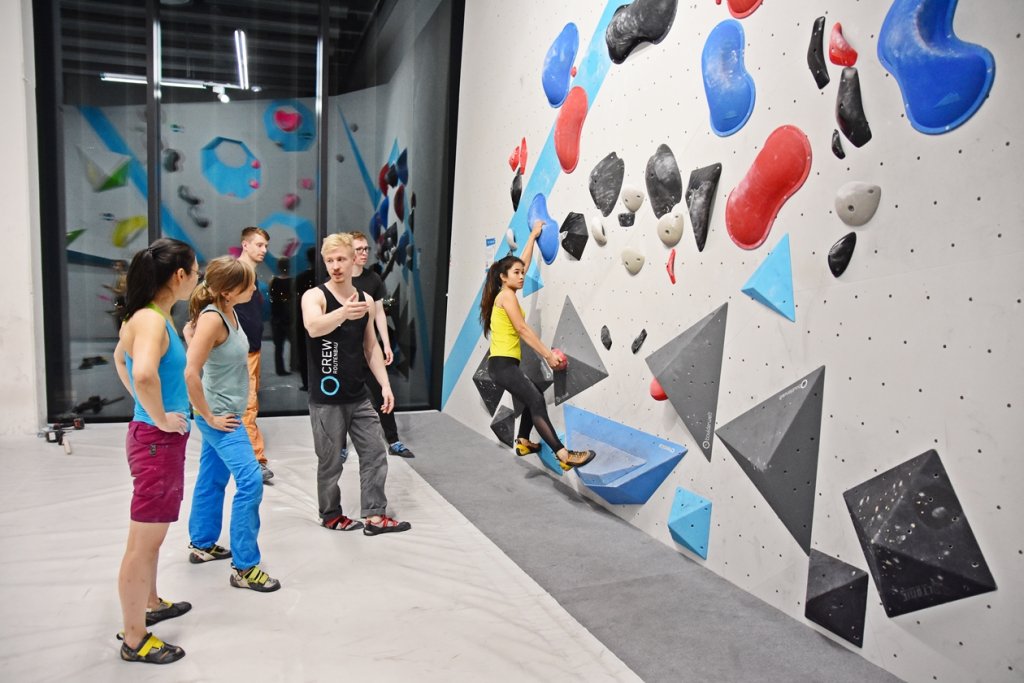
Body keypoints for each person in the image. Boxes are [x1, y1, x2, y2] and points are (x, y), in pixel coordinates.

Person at [111, 238, 199, 664]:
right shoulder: (150, 321)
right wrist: (159, 416)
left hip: (154, 439)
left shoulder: (146, 316)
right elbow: (142, 372)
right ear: (179, 276)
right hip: (156, 443)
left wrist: (148, 411)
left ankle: (149, 602)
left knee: (147, 537)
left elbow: (119, 360)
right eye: (195, 271)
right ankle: (135, 639)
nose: (197, 278)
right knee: (143, 543)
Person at [301, 232, 412, 535]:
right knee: (330, 462)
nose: (335, 266)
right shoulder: (315, 296)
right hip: (326, 398)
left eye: (341, 259)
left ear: (353, 261)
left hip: (358, 394)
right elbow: (313, 327)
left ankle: (375, 515)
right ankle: (330, 514)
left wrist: (385, 385)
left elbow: (371, 346)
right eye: (330, 260)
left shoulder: (364, 300)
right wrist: (342, 313)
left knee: (375, 453)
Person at [184, 256, 281, 593]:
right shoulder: (214, 318)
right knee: (251, 480)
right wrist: (208, 416)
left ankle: (203, 543)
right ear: (227, 291)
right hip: (221, 417)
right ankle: (245, 567)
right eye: (249, 284)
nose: (255, 288)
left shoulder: (227, 311)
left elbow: (203, 353)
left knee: (212, 477)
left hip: (228, 412)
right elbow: (190, 372)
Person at [480, 221, 596, 471]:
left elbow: (522, 261)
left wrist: (532, 237)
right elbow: (522, 329)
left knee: (532, 395)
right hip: (502, 366)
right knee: (536, 400)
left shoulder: (504, 291)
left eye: (523, 273)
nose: (522, 276)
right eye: (517, 274)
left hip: (502, 365)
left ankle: (523, 441)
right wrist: (547, 356)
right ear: (503, 277)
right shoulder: (507, 296)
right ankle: (563, 454)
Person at [350, 231, 415, 458]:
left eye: (366, 248)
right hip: (347, 351)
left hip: (369, 348)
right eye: (359, 249)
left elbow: (379, 314)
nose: (364, 253)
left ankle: (393, 440)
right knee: (342, 400)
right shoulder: (341, 279)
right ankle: (338, 446)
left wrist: (386, 344)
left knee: (382, 392)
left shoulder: (373, 279)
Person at [234, 226, 273, 483]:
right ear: (245, 245)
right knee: (247, 405)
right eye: (259, 245)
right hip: (240, 352)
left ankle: (245, 455)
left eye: (266, 246)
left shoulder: (252, 276)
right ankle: (254, 461)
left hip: (252, 349)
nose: (264, 250)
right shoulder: (235, 274)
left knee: (249, 403)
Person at [295, 247, 317, 391]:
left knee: (304, 352)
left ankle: (306, 382)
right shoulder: (325, 276)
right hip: (317, 318)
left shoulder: (301, 277)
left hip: (303, 318)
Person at [268, 256, 294, 377]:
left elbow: (273, 299)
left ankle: (280, 368)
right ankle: (293, 365)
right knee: (293, 343)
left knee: (278, 346)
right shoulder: (292, 281)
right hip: (288, 317)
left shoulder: (273, 281)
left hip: (277, 317)